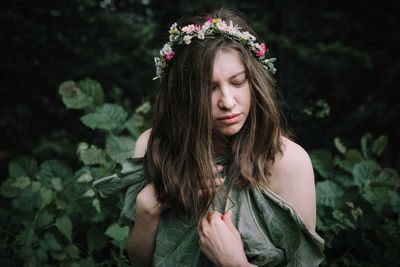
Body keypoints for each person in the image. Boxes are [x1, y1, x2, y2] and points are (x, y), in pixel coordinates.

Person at [94, 7, 324, 267]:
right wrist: (147, 208)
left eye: (237, 82)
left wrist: (234, 264)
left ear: (254, 83)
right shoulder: (152, 145)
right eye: (208, 88)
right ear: (183, 94)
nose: (227, 102)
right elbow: (140, 262)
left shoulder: (288, 161)